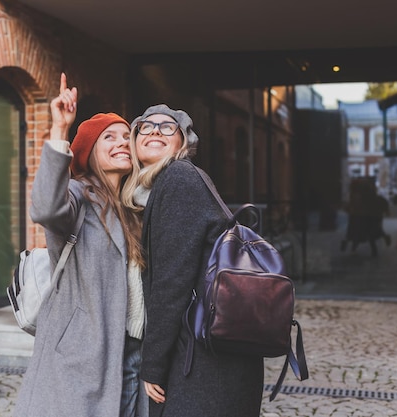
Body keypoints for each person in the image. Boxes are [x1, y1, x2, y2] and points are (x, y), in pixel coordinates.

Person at [14, 73, 147, 417]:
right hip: (84, 352)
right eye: (109, 138)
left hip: (132, 351)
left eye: (126, 137)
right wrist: (60, 131)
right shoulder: (79, 195)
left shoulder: (135, 209)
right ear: (88, 152)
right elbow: (45, 208)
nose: (122, 142)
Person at [121, 104, 263, 416]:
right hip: (210, 348)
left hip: (203, 357)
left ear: (183, 144)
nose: (156, 130)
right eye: (146, 126)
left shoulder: (178, 179)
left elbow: (172, 283)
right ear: (133, 141)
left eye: (168, 127)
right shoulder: (164, 187)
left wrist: (152, 365)